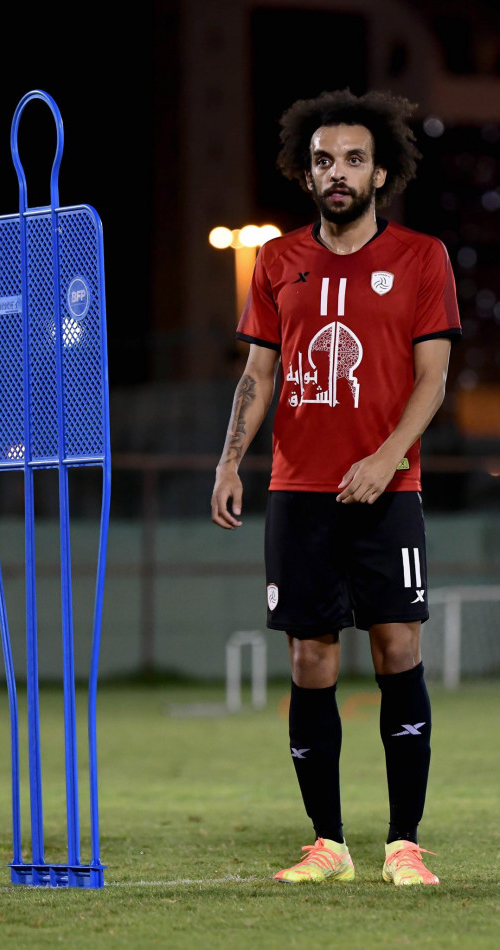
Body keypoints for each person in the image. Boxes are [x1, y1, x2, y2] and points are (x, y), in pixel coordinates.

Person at [210, 90, 461, 886]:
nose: (338, 172)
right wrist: (229, 461)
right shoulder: (276, 262)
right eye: (324, 160)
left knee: (397, 648)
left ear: (381, 172)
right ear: (306, 172)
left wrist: (388, 457)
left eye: (354, 159)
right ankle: (329, 845)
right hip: (299, 490)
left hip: (390, 489)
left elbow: (433, 378)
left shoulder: (422, 258)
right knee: (310, 658)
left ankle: (404, 845)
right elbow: (259, 374)